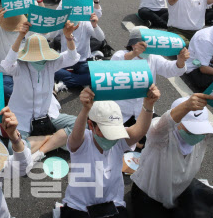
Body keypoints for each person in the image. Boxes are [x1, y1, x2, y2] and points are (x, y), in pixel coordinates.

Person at [129, 93, 213, 216]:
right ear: (176, 123)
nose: (197, 134)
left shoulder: (203, 133)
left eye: (200, 130)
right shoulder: (160, 138)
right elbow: (157, 128)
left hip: (180, 190)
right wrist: (186, 107)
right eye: (191, 130)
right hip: (148, 196)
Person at [59, 85, 160, 217]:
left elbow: (140, 130)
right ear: (91, 125)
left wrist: (148, 104)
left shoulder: (119, 140)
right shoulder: (82, 143)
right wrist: (85, 109)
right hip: (79, 208)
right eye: (104, 131)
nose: (109, 137)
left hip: (112, 205)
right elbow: (76, 135)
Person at [1, 21, 80, 162]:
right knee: (13, 152)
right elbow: (7, 64)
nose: (39, 60)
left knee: (80, 125)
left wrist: (68, 37)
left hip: (46, 114)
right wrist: (20, 36)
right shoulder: (19, 66)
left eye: (41, 56)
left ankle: (42, 149)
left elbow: (72, 57)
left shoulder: (51, 63)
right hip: (22, 119)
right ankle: (53, 139)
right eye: (35, 56)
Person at [113, 28, 189, 125]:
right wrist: (134, 54)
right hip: (120, 112)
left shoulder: (153, 58)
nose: (145, 48)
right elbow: (115, 66)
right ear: (133, 44)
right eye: (142, 45)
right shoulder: (121, 55)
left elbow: (169, 69)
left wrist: (180, 61)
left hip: (143, 111)